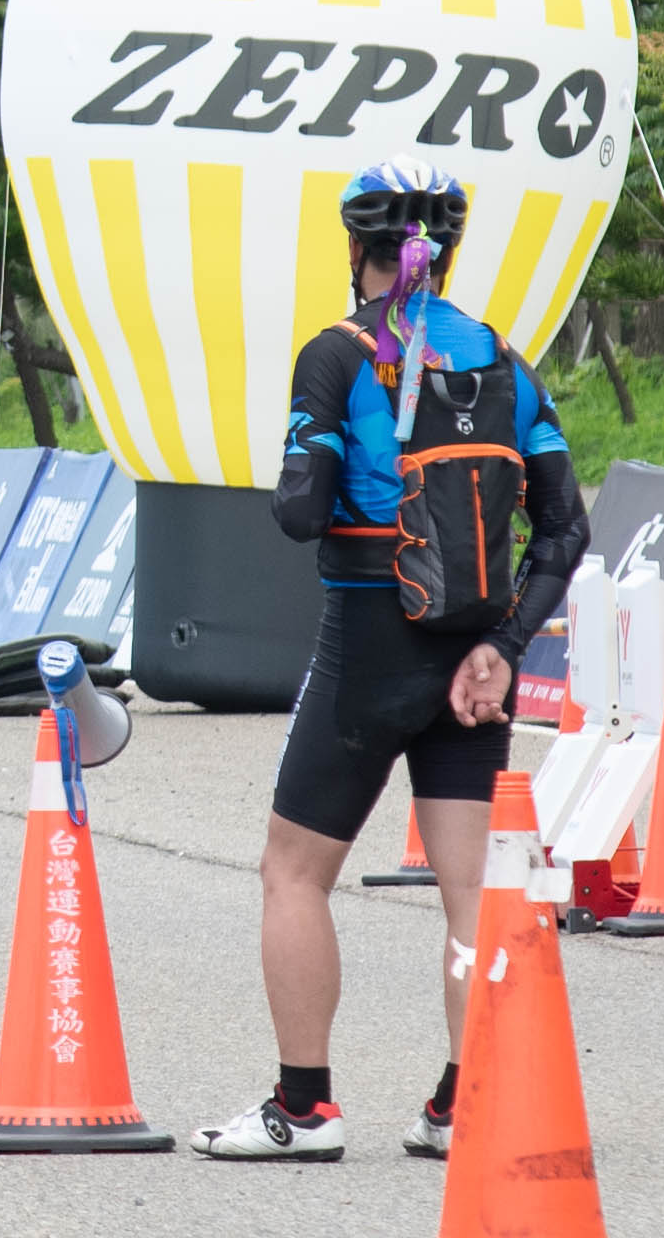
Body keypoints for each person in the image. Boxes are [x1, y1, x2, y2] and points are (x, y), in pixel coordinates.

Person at [194, 163, 586, 1165]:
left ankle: (305, 1107)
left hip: (368, 642)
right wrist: (503, 646)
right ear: (446, 253)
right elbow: (564, 528)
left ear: (355, 247)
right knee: (474, 891)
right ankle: (465, 1103)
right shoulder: (504, 361)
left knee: (293, 871)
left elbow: (299, 510)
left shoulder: (337, 353)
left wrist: (314, 461)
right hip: (476, 659)